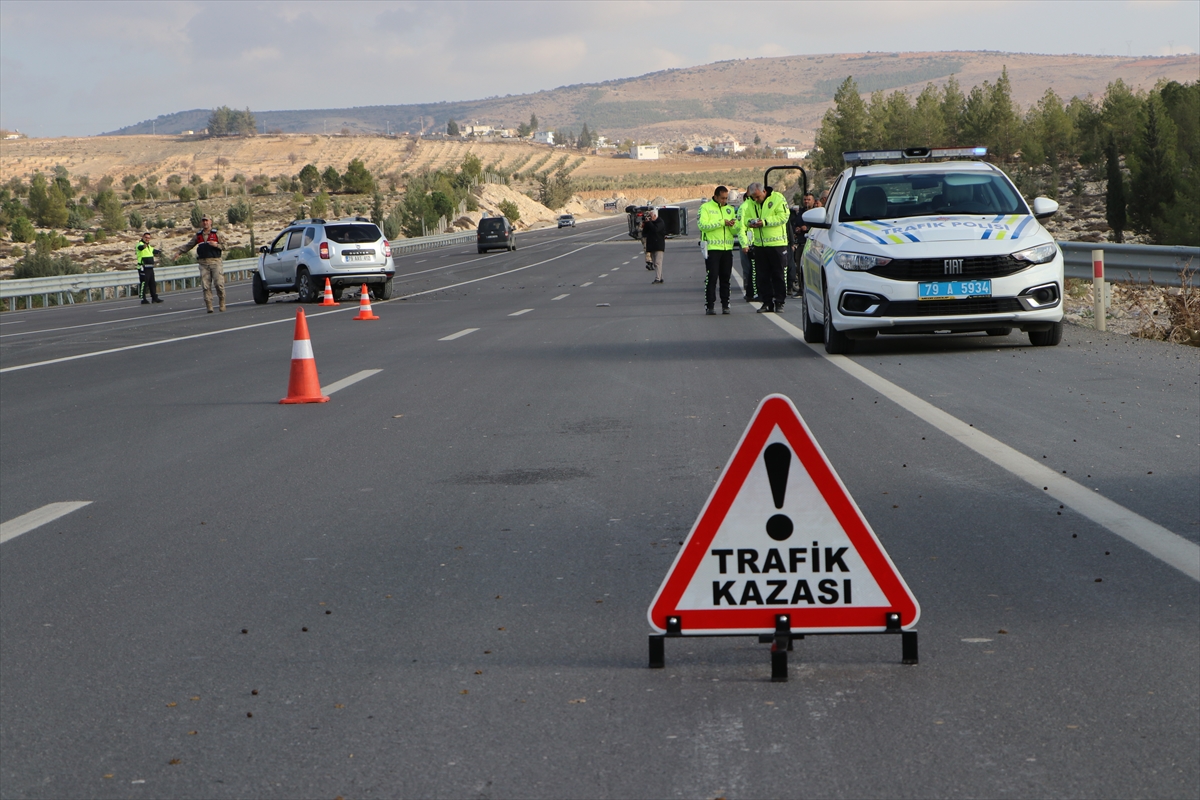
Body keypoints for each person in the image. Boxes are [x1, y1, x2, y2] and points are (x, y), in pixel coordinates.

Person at [742, 182, 790, 313]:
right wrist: (750, 223)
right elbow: (744, 218)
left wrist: (765, 222)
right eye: (753, 197)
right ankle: (767, 302)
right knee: (762, 276)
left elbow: (784, 216)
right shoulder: (751, 202)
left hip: (777, 244)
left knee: (778, 275)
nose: (756, 200)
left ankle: (779, 302)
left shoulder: (778, 198)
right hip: (759, 245)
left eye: (758, 197)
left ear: (764, 191)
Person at [697, 185, 740, 315]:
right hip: (712, 249)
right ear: (715, 196)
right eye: (722, 198)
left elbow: (735, 230)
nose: (724, 201)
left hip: (727, 249)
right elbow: (702, 225)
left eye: (726, 198)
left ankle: (725, 304)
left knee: (726, 278)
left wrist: (734, 225)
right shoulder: (706, 208)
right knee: (712, 278)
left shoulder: (730, 209)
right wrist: (722, 222)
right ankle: (710, 305)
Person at [177, 214, 227, 312]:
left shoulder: (217, 234)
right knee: (205, 285)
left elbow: (225, 246)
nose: (205, 222)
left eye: (207, 220)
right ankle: (209, 305)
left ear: (210, 222)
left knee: (219, 284)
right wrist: (179, 252)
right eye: (203, 221)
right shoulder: (198, 235)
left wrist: (216, 245)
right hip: (203, 263)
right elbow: (189, 245)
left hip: (215, 261)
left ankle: (222, 301)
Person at [791, 192, 817, 298]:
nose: (806, 201)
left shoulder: (817, 212)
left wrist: (808, 228)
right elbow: (795, 224)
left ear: (813, 201)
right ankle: (801, 290)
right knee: (799, 267)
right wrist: (797, 229)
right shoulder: (800, 213)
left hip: (814, 244)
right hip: (801, 243)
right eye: (805, 199)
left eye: (809, 199)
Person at [736, 188, 758, 303]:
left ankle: (756, 292)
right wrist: (745, 244)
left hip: (759, 242)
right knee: (750, 269)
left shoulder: (757, 205)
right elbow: (740, 228)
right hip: (750, 244)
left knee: (758, 270)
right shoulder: (744, 207)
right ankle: (751, 293)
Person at [135, 231, 163, 304]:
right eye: (146, 237)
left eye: (149, 238)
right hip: (143, 267)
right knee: (144, 283)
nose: (147, 239)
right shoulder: (139, 244)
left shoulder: (149, 246)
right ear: (143, 237)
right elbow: (141, 248)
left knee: (152, 283)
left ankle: (154, 298)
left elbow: (153, 251)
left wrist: (159, 252)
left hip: (150, 267)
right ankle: (143, 298)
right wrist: (144, 246)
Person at [642, 208, 667, 284]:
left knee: (657, 263)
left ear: (655, 215)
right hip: (652, 245)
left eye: (651, 216)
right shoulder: (650, 223)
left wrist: (649, 223)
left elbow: (655, 229)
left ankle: (657, 278)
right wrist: (645, 223)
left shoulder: (660, 222)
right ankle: (660, 277)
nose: (650, 217)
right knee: (655, 263)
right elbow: (644, 233)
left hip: (658, 246)